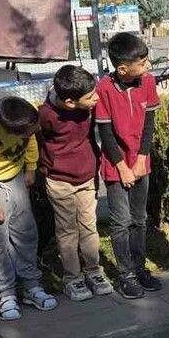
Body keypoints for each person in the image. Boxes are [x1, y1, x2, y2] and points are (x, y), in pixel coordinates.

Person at [0, 96, 58, 320]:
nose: (32, 133)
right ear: (9, 130)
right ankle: (5, 293)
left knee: (26, 234)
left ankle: (31, 285)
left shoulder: (24, 120)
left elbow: (31, 141)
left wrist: (30, 167)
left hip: (15, 178)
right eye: (27, 132)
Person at [96, 32, 164, 297]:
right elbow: (106, 133)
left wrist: (142, 158)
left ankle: (139, 267)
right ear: (123, 68)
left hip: (140, 163)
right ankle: (125, 274)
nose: (148, 66)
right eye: (143, 62)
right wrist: (123, 166)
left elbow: (148, 124)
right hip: (117, 166)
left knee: (139, 218)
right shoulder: (104, 88)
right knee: (121, 222)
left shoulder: (147, 82)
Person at [39, 66, 111, 303]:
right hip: (59, 180)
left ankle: (93, 271)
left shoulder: (87, 107)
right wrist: (45, 168)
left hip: (87, 176)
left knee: (88, 226)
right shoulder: (47, 116)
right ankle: (73, 277)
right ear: (69, 102)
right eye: (91, 97)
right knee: (67, 232)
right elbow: (38, 140)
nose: (96, 98)